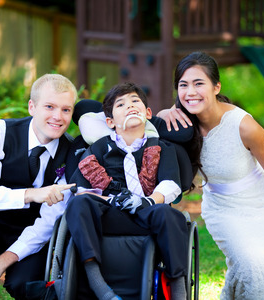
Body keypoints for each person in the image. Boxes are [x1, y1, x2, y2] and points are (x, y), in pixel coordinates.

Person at [157, 51, 264, 299]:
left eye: (198, 83)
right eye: (183, 85)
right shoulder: (179, 123)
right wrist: (162, 115)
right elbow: (148, 127)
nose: (190, 92)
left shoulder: (244, 126)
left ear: (216, 86)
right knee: (253, 264)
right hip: (223, 209)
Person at [0, 73, 78, 299]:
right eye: (49, 106)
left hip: (35, 233)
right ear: (32, 107)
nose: (58, 117)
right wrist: (31, 194)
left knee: (24, 286)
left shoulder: (73, 153)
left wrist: (0, 263)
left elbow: (48, 222)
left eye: (66, 110)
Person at [65, 82, 189, 300]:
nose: (130, 106)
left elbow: (170, 184)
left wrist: (148, 201)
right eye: (121, 104)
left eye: (135, 101)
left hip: (146, 212)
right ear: (110, 121)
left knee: (169, 214)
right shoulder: (98, 149)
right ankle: (97, 283)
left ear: (148, 113)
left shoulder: (162, 147)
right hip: (109, 214)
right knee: (78, 204)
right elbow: (81, 190)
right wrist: (112, 199)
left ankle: (178, 288)